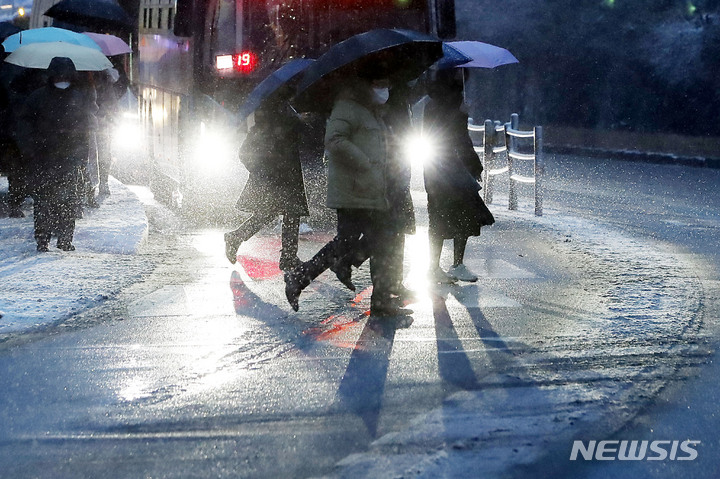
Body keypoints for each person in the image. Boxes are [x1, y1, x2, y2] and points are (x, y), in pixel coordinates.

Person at [284, 72, 409, 317]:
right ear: (365, 84)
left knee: (375, 239)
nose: (384, 89)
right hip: (354, 188)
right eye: (379, 83)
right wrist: (366, 163)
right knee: (363, 239)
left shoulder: (370, 109)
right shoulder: (347, 107)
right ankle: (307, 276)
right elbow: (335, 140)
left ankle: (307, 278)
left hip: (369, 187)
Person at [17, 57, 98, 252]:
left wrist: (30, 150)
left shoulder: (37, 98)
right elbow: (86, 130)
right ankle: (64, 239)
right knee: (67, 202)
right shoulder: (78, 99)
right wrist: (81, 157)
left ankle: (43, 240)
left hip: (44, 159)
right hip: (66, 160)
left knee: (44, 202)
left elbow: (24, 126)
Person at [422, 69, 494, 283]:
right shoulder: (450, 105)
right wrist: (474, 165)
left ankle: (437, 267)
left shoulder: (432, 102)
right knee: (461, 217)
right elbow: (459, 139)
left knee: (441, 218)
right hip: (451, 171)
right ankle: (453, 264)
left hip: (436, 170)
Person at [224, 97, 309, 271]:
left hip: (284, 171)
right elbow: (297, 131)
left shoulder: (276, 109)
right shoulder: (276, 112)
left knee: (283, 213)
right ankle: (286, 256)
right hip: (280, 173)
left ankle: (287, 256)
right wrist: (301, 121)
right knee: (281, 213)